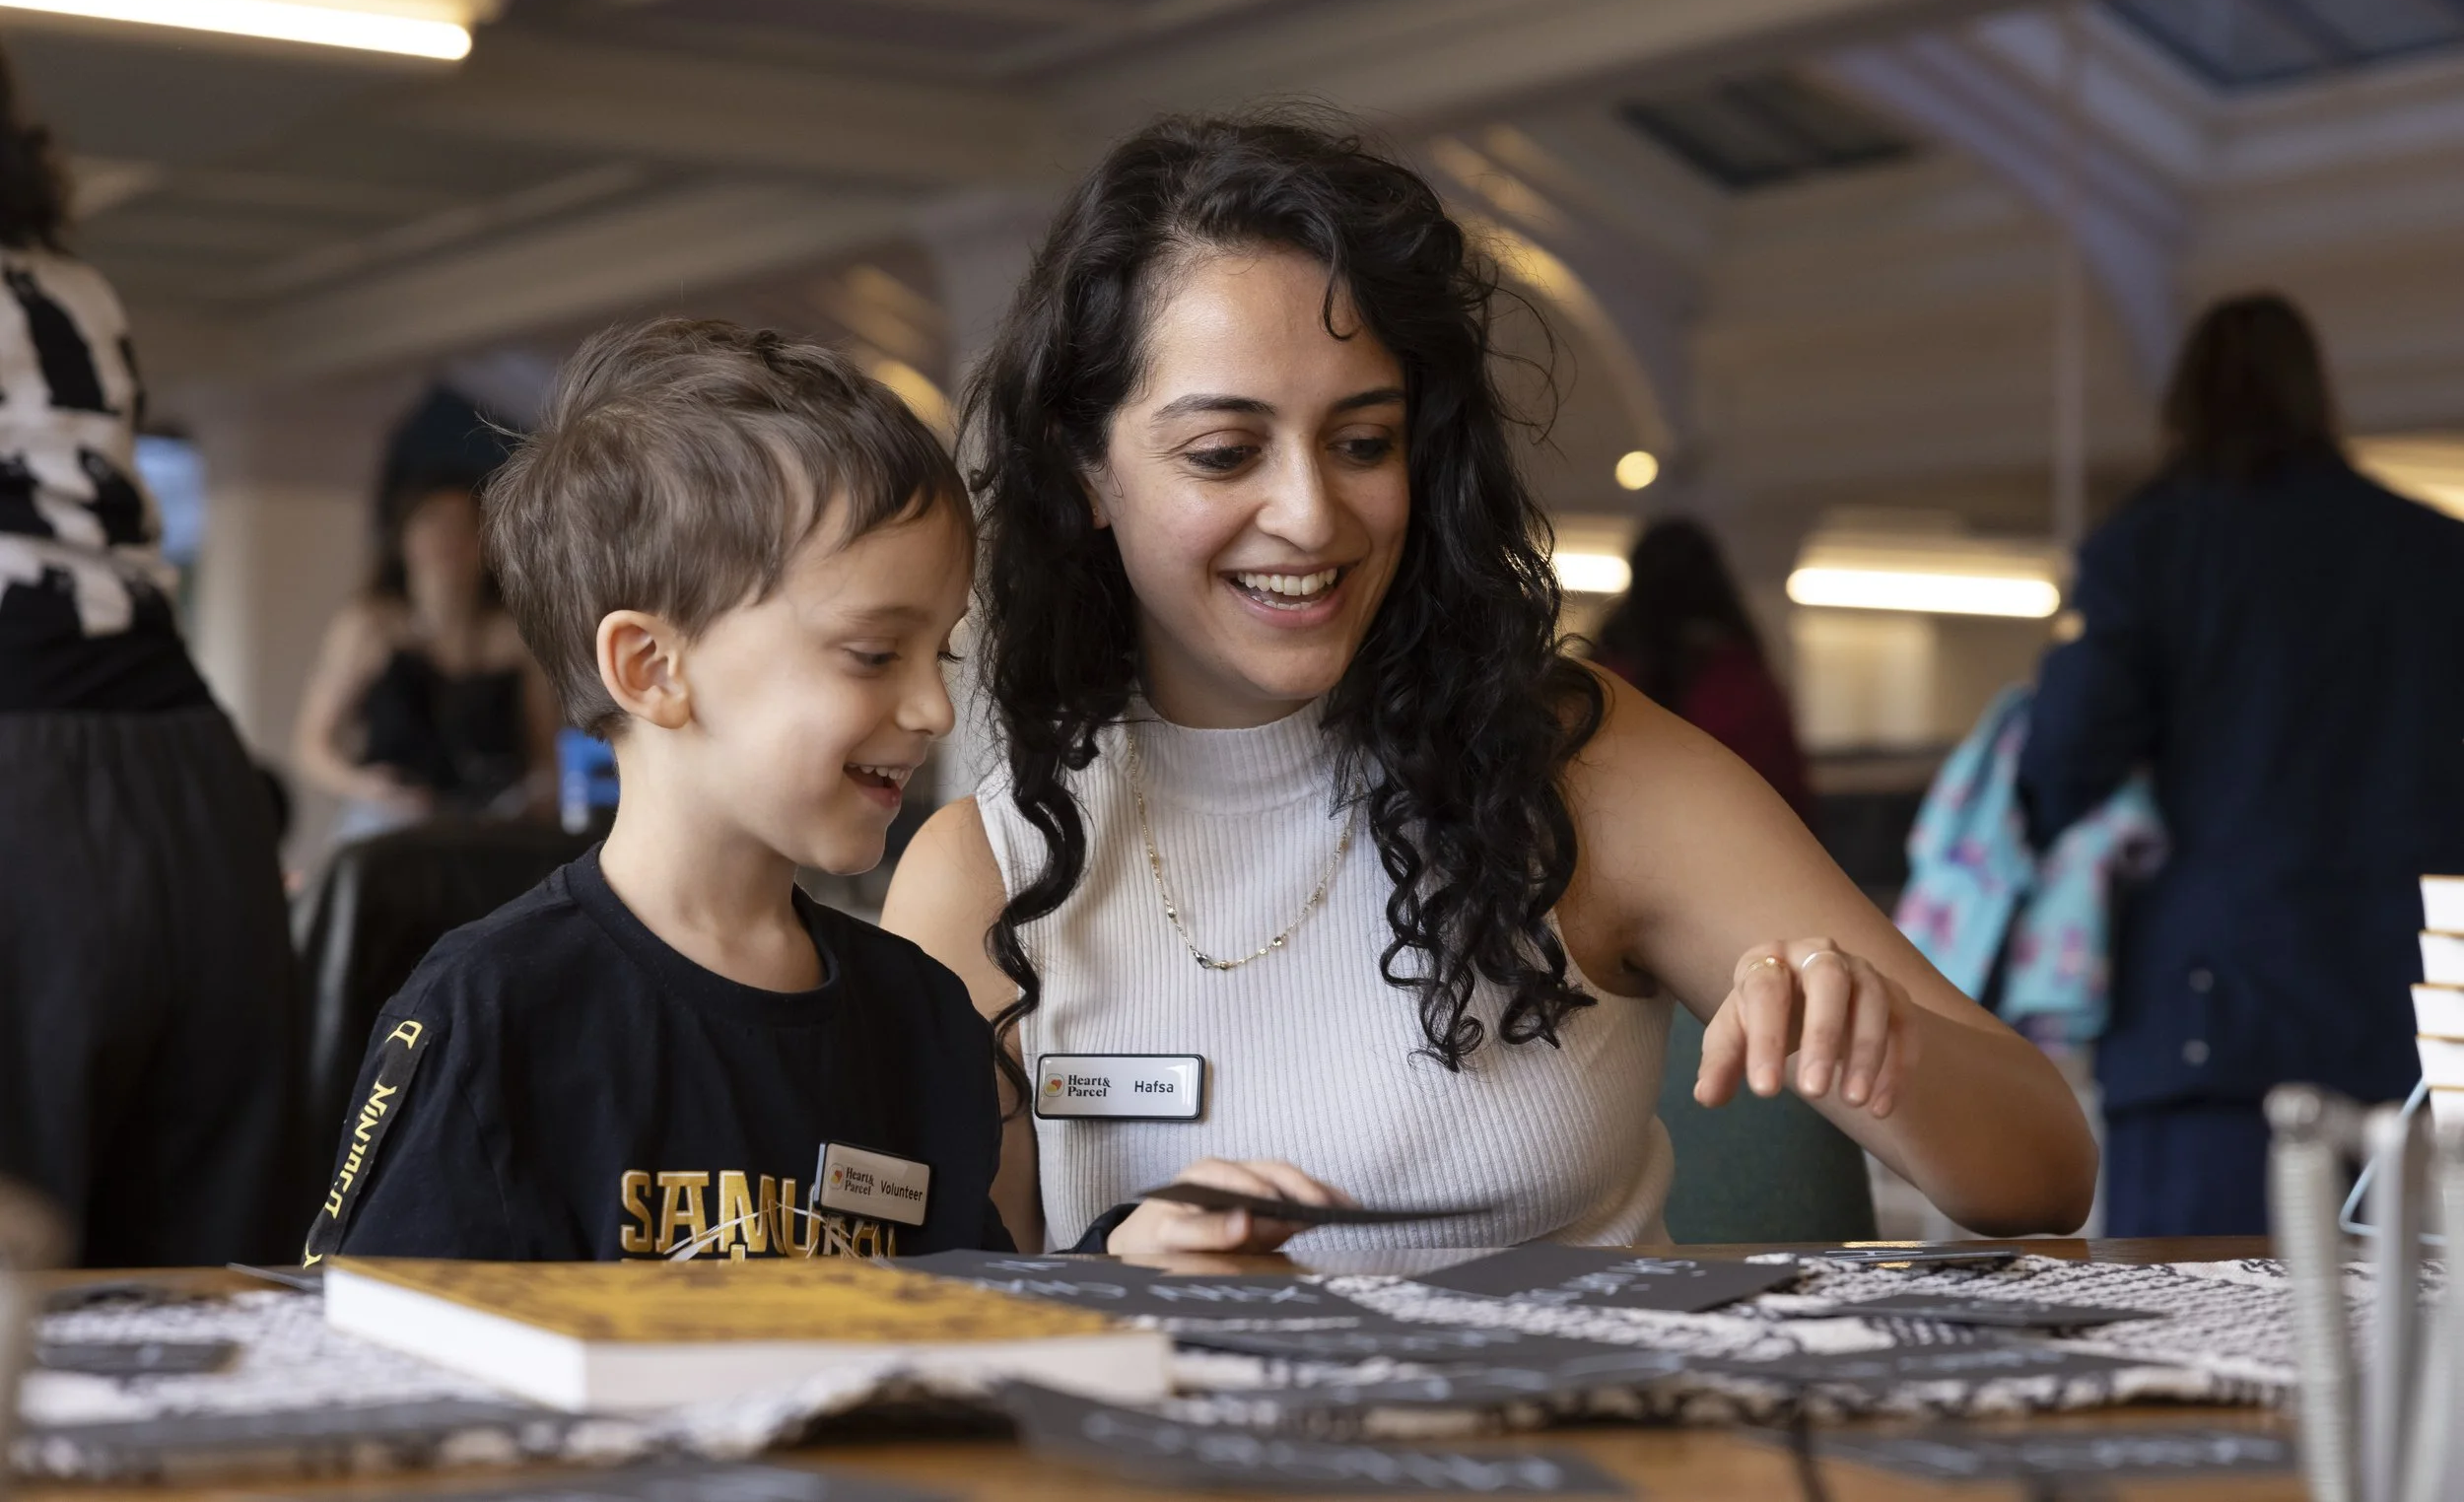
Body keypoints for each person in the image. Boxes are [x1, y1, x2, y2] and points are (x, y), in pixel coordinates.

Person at [885, 115, 2096, 1257]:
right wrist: (1111, 1280)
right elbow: (942, 1321)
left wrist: (1881, 1048)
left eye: (1363, 443)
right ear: (1083, 468)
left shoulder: (1583, 769)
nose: (1310, 513)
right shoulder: (985, 873)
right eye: (1224, 451)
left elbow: (2043, 1172)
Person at [307, 318, 1010, 1262]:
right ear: (651, 667)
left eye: (943, 651)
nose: (933, 707)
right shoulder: (492, 1014)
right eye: (875, 653)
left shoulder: (922, 1021)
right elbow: (369, 1362)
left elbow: (977, 1326)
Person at [2019, 292, 2464, 1236]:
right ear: (2318, 396)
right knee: (2402, 1342)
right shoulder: (2436, 554)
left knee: (2192, 1330)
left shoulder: (2149, 547)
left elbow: (2067, 754)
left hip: (2208, 1010)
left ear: (2180, 403)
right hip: (2410, 1013)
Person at [0, 42, 300, 1265]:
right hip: (188, 776)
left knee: (24, 1253)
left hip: (22, 777)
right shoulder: (72, 284)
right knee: (192, 1264)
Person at [293, 478, 557, 841]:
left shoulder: (517, 639)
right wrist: (367, 787)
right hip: (389, 820)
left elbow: (544, 753)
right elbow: (311, 746)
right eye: (434, 524)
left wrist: (537, 798)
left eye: (465, 527)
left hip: (491, 825)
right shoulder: (369, 628)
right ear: (404, 539)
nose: (450, 541)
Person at [1591, 517, 1814, 822]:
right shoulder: (1741, 680)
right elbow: (1784, 797)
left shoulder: (1607, 673)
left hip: (1619, 850)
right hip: (1738, 848)